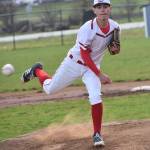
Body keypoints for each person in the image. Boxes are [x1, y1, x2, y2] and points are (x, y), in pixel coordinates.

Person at [21, 0, 120, 147]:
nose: (102, 9)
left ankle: (97, 134)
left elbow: (114, 49)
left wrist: (115, 50)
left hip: (91, 69)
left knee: (95, 96)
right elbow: (85, 55)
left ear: (110, 9)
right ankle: (37, 70)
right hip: (73, 64)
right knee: (50, 89)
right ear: (94, 10)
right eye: (99, 7)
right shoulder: (87, 28)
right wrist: (99, 74)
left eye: (105, 6)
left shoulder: (115, 27)